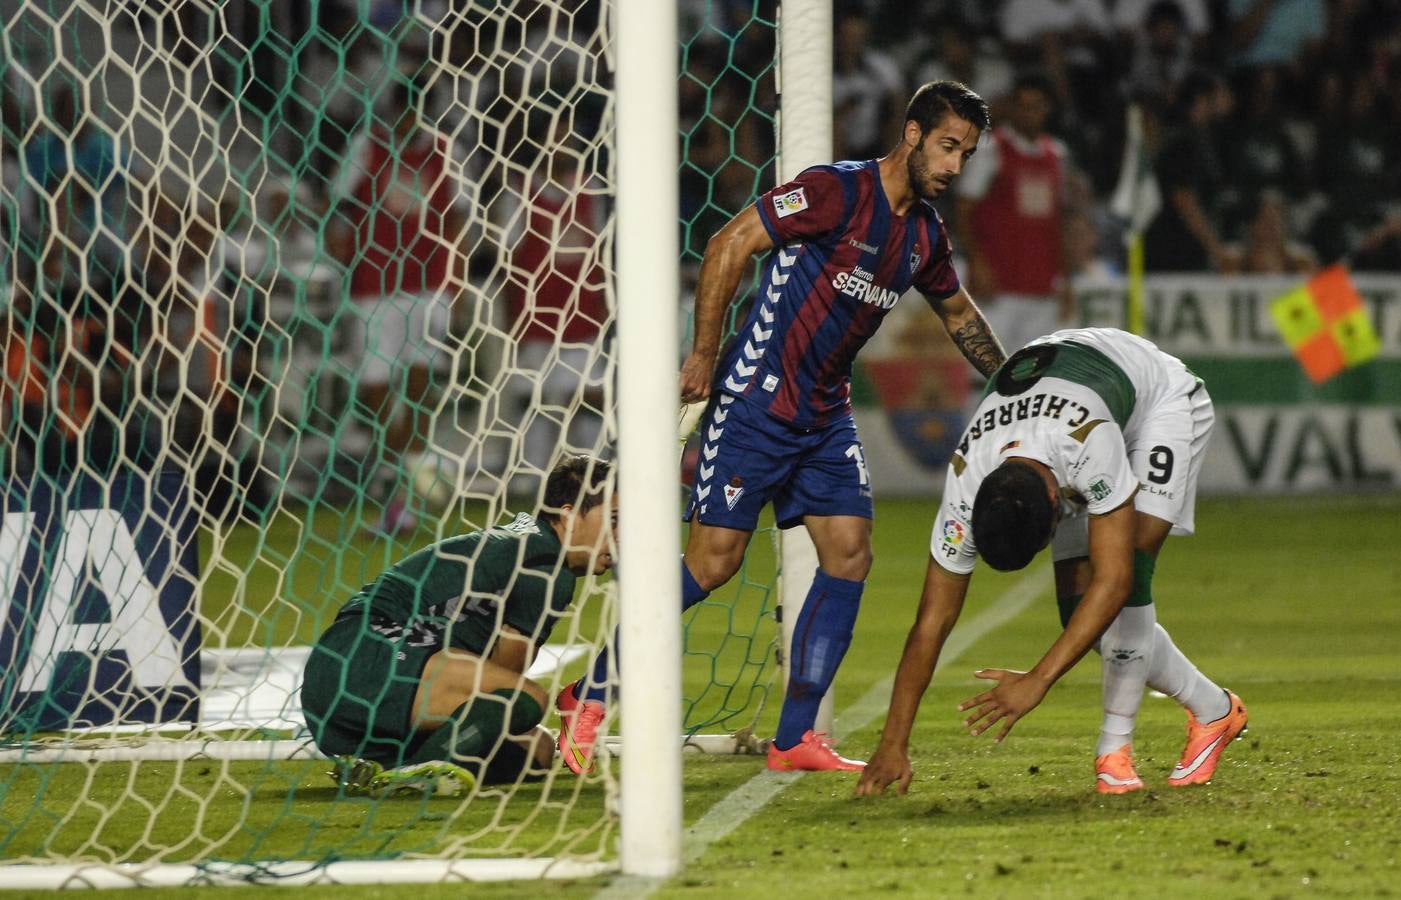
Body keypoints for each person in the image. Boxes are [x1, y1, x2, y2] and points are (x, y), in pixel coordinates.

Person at [556, 81, 1007, 776]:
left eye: (966, 155)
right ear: (912, 134)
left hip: (823, 416)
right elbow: (729, 242)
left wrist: (1009, 385)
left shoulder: (923, 236)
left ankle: (795, 738)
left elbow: (958, 316)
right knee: (713, 564)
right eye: (947, 147)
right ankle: (584, 700)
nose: (953, 165)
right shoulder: (833, 191)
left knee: (849, 553)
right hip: (754, 402)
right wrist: (704, 354)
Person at [856, 327, 1248, 798]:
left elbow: (1116, 581)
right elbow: (931, 622)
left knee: (1130, 570)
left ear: (1054, 498)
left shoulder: (1088, 444)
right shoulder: (965, 480)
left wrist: (1038, 679)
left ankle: (1114, 755)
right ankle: (1215, 709)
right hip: (1063, 400)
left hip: (1157, 401)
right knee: (1080, 611)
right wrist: (892, 742)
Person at [300, 454, 617, 795]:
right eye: (613, 519)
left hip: (348, 678)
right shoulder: (544, 566)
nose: (621, 535)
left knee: (535, 751)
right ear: (568, 515)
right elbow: (504, 681)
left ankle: (383, 767)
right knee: (522, 700)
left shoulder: (529, 540)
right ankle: (413, 774)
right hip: (368, 658)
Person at [328, 73, 472, 535]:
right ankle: (405, 472)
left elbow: (460, 217)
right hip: (374, 285)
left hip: (428, 286)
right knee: (375, 393)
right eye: (401, 112)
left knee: (418, 388)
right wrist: (343, 255)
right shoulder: (366, 146)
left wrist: (459, 282)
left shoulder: (447, 151)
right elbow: (338, 204)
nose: (407, 121)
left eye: (415, 112)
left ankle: (400, 498)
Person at [954, 71, 1075, 364]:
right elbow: (963, 209)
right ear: (1011, 107)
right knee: (988, 370)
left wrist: (1066, 279)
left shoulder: (1056, 155)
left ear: (1047, 109)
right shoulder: (991, 151)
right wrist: (978, 263)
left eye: (1037, 105)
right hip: (998, 285)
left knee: (1034, 376)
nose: (1030, 113)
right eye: (1023, 105)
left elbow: (1058, 221)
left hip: (1042, 285)